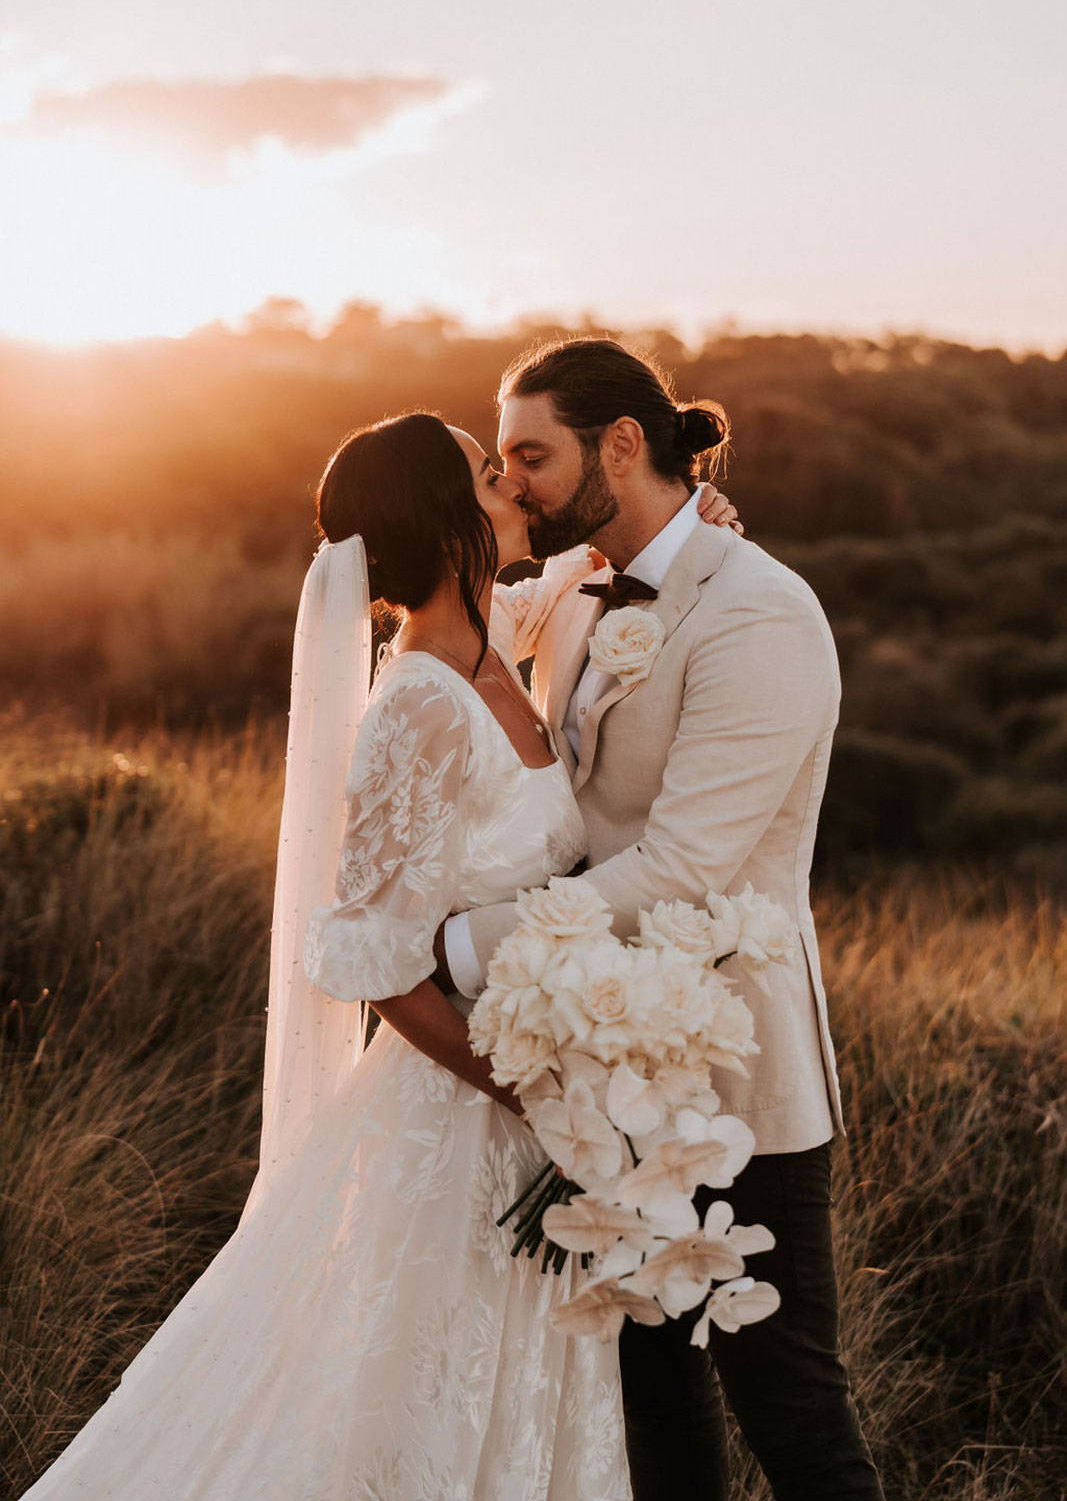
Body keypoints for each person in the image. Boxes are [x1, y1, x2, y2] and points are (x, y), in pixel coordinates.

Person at [18, 408, 736, 1501]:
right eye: (485, 475)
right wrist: (538, 1095)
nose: (510, 485)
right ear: (445, 518)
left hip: (544, 1103)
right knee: (410, 1409)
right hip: (457, 1124)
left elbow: (612, 554)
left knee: (517, 1397)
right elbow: (378, 963)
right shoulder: (414, 707)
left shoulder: (500, 626)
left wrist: (690, 518)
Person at [433, 338, 885, 1501]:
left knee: (787, 1404)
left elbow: (684, 864)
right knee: (643, 1406)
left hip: (733, 1073)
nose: (516, 479)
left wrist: (461, 951)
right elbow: (440, 601)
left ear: (620, 444)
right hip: (589, 1069)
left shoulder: (760, 613)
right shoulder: (577, 585)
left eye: (531, 454)